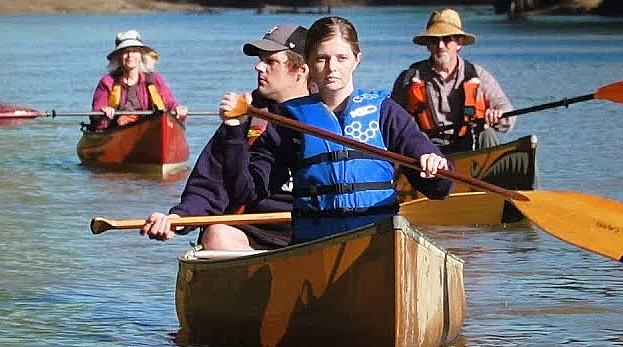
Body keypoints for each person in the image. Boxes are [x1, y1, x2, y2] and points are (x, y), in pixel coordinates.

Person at [223, 16, 452, 244]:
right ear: (308, 63)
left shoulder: (386, 111)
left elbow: (439, 190)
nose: (332, 68)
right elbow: (247, 192)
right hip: (316, 245)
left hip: (378, 241)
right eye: (321, 59)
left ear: (356, 60)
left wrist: (434, 166)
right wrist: (234, 131)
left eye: (341, 58)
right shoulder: (288, 120)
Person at [139, 24, 312, 250]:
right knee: (216, 235)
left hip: (314, 229)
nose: (258, 66)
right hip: (250, 233)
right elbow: (208, 185)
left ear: (301, 70)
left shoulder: (330, 117)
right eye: (260, 59)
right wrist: (178, 219)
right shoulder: (243, 119)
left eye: (270, 61)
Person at [390, 8, 515, 152]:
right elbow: (391, 119)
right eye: (434, 40)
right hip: (426, 150)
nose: (440, 45)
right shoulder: (408, 79)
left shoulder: (479, 75)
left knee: (487, 134)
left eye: (447, 39)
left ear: (459, 43)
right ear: (428, 45)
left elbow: (506, 111)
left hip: (470, 146)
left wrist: (498, 115)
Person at [90, 29, 187, 130]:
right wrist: (104, 113)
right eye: (125, 52)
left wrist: (178, 109)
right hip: (116, 130)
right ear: (118, 57)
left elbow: (170, 103)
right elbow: (96, 117)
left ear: (141, 55)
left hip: (150, 129)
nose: (130, 56)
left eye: (134, 51)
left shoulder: (155, 79)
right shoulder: (107, 81)